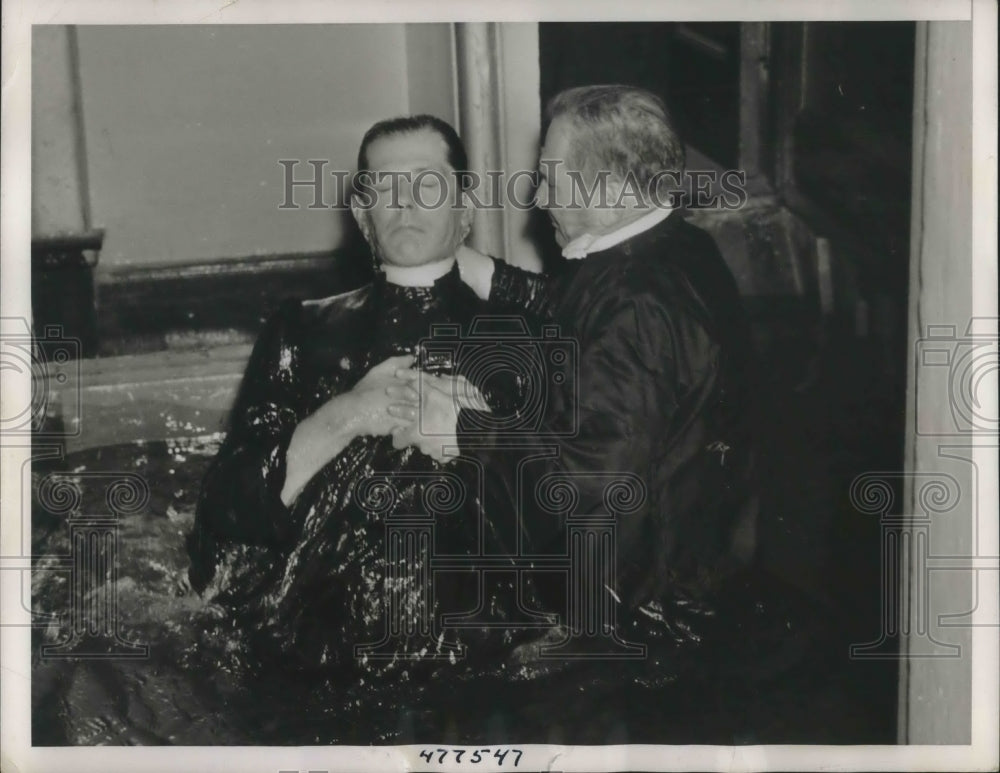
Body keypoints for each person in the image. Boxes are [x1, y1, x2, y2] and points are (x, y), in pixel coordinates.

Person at [388, 85, 761, 667]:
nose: (537, 197)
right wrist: (489, 275)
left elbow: (586, 481)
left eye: (550, 179)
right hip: (689, 552)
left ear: (609, 188)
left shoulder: (639, 306)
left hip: (639, 617)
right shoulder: (673, 245)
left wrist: (461, 428)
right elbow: (586, 314)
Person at [185, 115, 540, 682]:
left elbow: (572, 513)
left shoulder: (521, 336)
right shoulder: (301, 329)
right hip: (309, 650)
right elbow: (225, 511)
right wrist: (344, 416)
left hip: (479, 659)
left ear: (466, 206)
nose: (405, 205)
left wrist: (472, 439)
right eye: (385, 188)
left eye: (427, 184)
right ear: (362, 214)